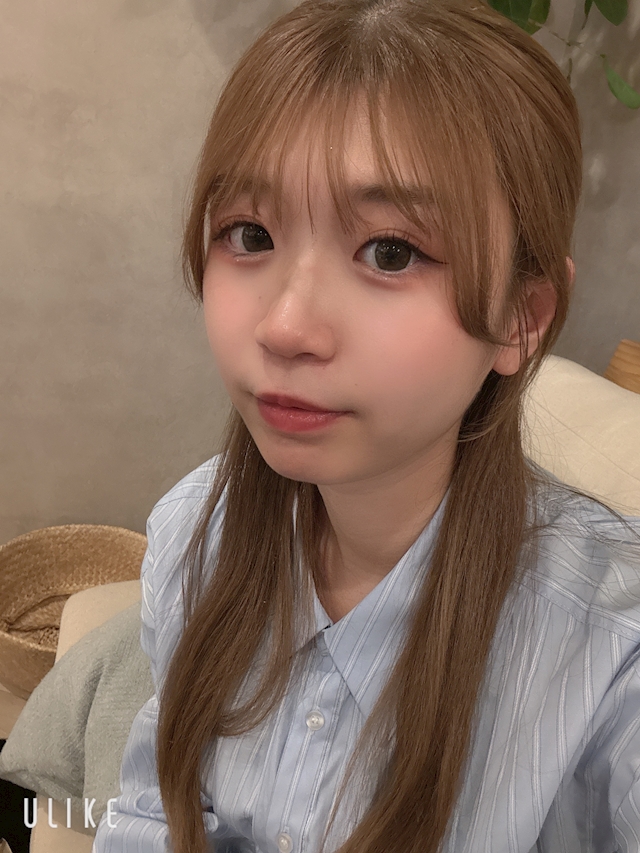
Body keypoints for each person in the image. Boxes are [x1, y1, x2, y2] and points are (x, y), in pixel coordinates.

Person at [93, 0, 640, 851]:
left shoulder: (608, 651)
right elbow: (153, 812)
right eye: (250, 233)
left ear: (522, 318)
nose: (285, 327)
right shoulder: (193, 534)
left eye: (390, 251)